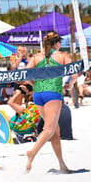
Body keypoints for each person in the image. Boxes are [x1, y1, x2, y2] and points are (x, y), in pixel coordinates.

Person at [25, 31, 70, 173]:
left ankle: (62, 165)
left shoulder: (36, 56)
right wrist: (67, 84)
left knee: (54, 130)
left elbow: (27, 73)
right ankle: (32, 152)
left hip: (38, 94)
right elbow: (73, 74)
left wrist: (35, 85)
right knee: (49, 130)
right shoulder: (62, 55)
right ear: (56, 43)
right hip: (53, 93)